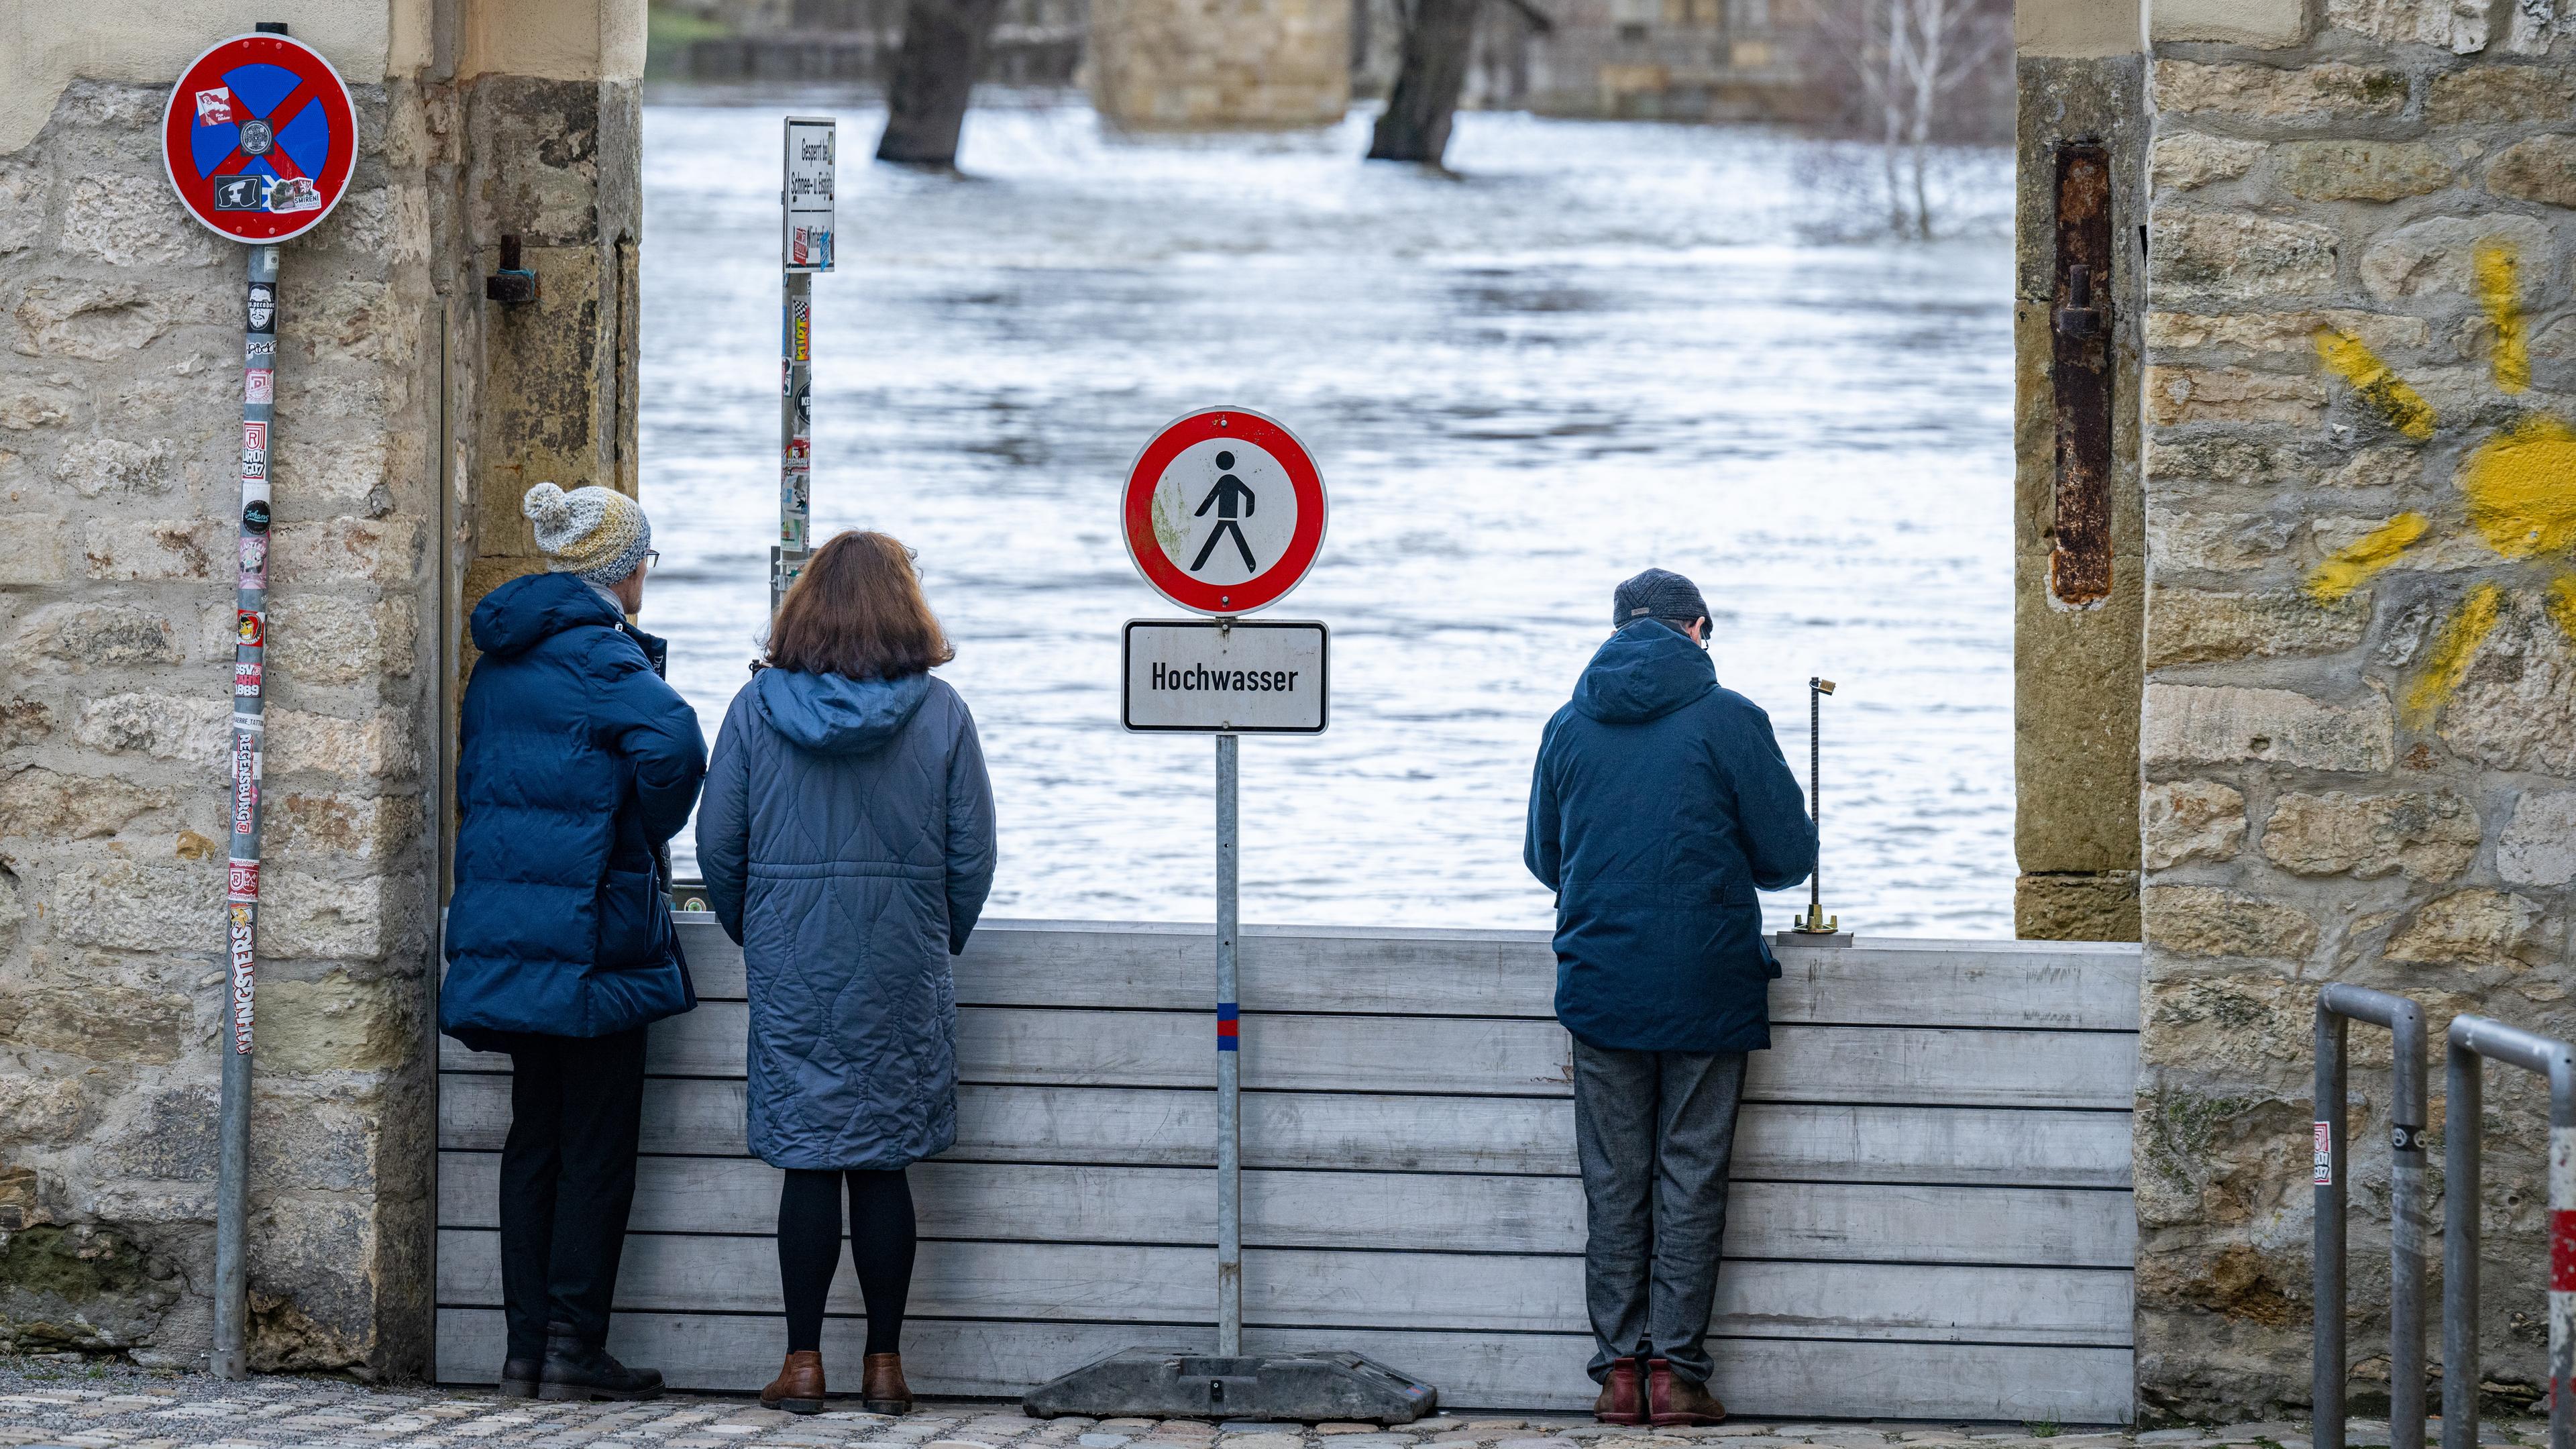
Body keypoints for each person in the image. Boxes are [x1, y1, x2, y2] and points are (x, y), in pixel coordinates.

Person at [694, 530, 998, 1417]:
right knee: (884, 1161)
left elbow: (719, 845)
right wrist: (938, 938)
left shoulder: (755, 708)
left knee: (808, 1158)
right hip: (902, 964)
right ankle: (887, 1368)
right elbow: (972, 855)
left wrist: (760, 930)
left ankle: (801, 1366)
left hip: (794, 962)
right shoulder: (940, 712)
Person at [1523, 567, 1816, 1429]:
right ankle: (1677, 1378)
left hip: (1600, 982)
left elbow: (1547, 859)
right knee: (1690, 1174)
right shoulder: (1732, 720)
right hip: (1705, 982)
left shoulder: (1568, 725)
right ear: (1698, 628)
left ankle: (1619, 1374)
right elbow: (1785, 857)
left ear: (1619, 630)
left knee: (1614, 1180)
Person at [441, 482, 708, 1401]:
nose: (648, 575)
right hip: (592, 934)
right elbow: (676, 745)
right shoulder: (601, 655)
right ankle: (573, 1348)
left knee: (536, 1137)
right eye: (646, 560)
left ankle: (523, 1353)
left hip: (511, 928)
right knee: (596, 1145)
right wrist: (640, 828)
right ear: (618, 569)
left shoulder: (505, 657)